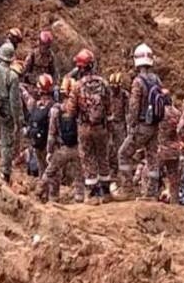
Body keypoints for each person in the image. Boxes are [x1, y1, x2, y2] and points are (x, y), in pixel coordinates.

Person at [116, 43, 162, 200]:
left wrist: (132, 125)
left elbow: (134, 106)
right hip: (155, 126)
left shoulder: (138, 81)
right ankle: (151, 193)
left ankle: (127, 189)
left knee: (123, 153)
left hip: (142, 126)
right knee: (152, 158)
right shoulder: (157, 80)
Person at [69, 49, 113, 204]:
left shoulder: (77, 86)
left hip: (85, 128)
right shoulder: (104, 83)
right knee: (103, 157)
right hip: (101, 127)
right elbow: (109, 107)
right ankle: (106, 192)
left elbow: (72, 110)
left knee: (88, 158)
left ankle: (93, 195)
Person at [0, 42, 23, 183]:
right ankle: (5, 172)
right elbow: (15, 101)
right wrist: (18, 119)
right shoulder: (13, 76)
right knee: (7, 143)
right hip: (6, 113)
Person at [41, 75, 83, 203]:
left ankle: (45, 195)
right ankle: (79, 197)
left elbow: (52, 133)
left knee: (50, 173)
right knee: (79, 175)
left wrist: (49, 151)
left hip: (61, 148)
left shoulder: (56, 109)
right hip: (77, 148)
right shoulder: (79, 109)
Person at [25, 74, 55, 179]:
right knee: (51, 169)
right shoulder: (53, 106)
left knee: (41, 166)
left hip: (37, 142)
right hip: (48, 142)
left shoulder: (35, 104)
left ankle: (40, 185)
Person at [156, 88, 183, 203]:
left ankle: (150, 197)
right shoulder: (177, 113)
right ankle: (175, 201)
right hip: (174, 150)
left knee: (152, 173)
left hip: (162, 149)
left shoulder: (160, 112)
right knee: (174, 178)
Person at [107, 72, 130, 177]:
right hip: (109, 124)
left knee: (120, 148)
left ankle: (122, 172)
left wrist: (128, 127)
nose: (114, 88)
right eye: (112, 86)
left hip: (120, 124)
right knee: (109, 148)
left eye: (116, 86)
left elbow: (128, 112)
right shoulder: (107, 94)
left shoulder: (124, 95)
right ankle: (111, 169)